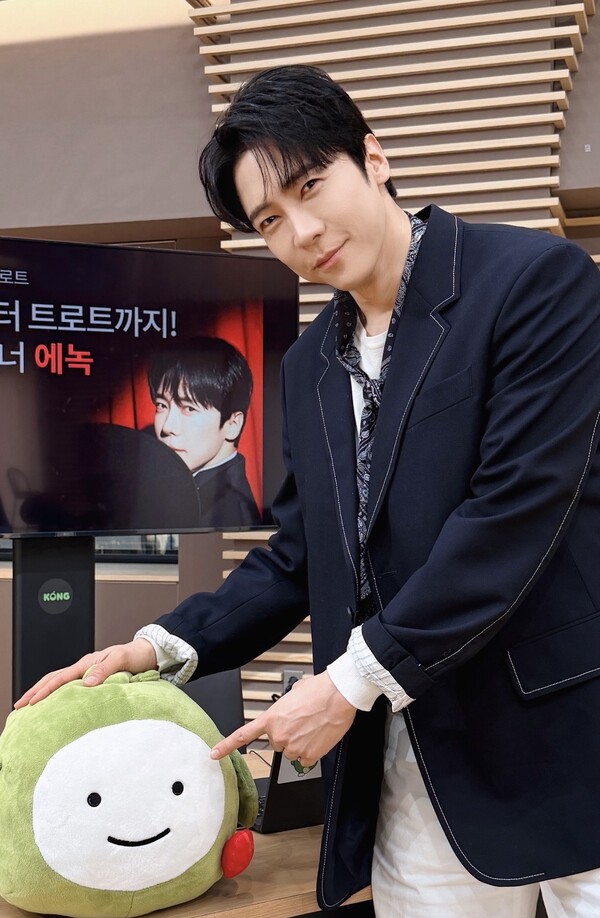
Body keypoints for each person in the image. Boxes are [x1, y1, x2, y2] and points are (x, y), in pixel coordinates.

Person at [15, 65, 600, 917]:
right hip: (410, 759)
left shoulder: (535, 280)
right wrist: (157, 648)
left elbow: (513, 511)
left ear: (373, 156)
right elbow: (299, 555)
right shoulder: (307, 363)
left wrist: (349, 682)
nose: (304, 231)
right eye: (269, 220)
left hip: (565, 739)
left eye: (311, 185)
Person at [148, 335, 261, 528]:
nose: (167, 427)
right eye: (161, 405)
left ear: (233, 424)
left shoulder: (228, 515)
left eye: (189, 408)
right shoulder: (191, 493)